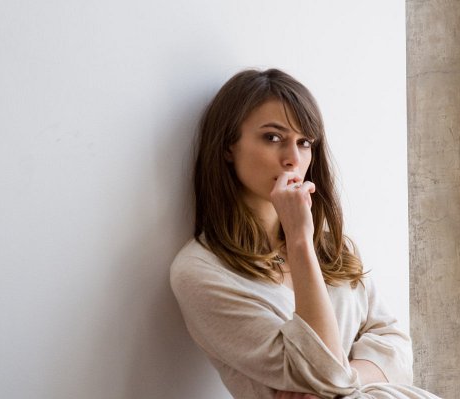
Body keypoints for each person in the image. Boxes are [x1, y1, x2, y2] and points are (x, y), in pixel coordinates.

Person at [170, 68, 440, 399]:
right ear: (228, 146)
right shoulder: (201, 271)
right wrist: (299, 241)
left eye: (304, 143)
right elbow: (323, 374)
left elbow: (396, 348)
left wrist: (347, 377)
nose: (293, 159)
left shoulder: (331, 247)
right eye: (272, 138)